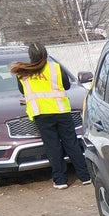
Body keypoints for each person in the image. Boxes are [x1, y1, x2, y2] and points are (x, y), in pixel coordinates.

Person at [10, 42, 91, 189]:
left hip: (41, 114)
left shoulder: (22, 73)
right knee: (71, 143)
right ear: (45, 54)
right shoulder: (55, 67)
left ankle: (60, 181)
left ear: (30, 56)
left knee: (52, 146)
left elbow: (23, 91)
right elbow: (67, 86)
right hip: (61, 111)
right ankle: (85, 176)